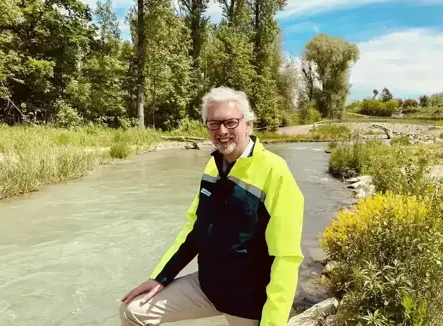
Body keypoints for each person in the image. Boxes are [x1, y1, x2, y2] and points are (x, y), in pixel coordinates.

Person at [119, 86, 305, 326]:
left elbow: (286, 257)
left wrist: (273, 322)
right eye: (214, 124)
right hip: (206, 288)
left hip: (248, 301)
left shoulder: (275, 171)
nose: (222, 131)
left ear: (248, 124)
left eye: (230, 122)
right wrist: (161, 277)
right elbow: (194, 228)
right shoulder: (213, 166)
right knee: (132, 310)